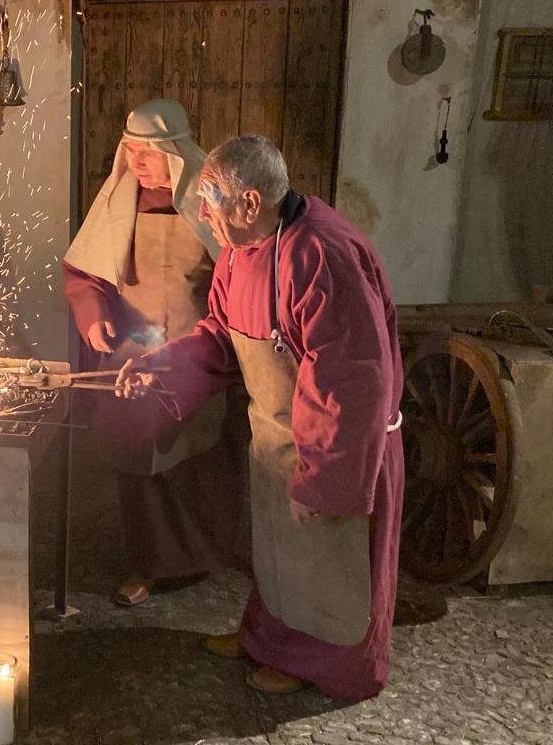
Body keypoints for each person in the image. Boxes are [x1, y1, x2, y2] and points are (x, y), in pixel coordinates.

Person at [117, 135, 404, 699]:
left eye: (212, 197)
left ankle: (323, 666)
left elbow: (352, 381)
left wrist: (324, 478)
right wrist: (162, 367)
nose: (200, 210)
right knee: (278, 555)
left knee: (326, 562)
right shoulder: (241, 250)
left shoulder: (323, 255)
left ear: (251, 203)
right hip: (276, 437)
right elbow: (221, 335)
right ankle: (271, 641)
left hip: (336, 442)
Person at [62, 99, 246, 607]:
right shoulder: (119, 203)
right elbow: (86, 275)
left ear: (177, 154)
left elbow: (240, 273)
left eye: (149, 153)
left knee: (196, 457)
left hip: (197, 350)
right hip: (133, 352)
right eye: (132, 152)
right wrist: (93, 313)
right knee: (141, 460)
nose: (138, 163)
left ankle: (202, 555)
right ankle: (149, 564)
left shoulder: (211, 205)